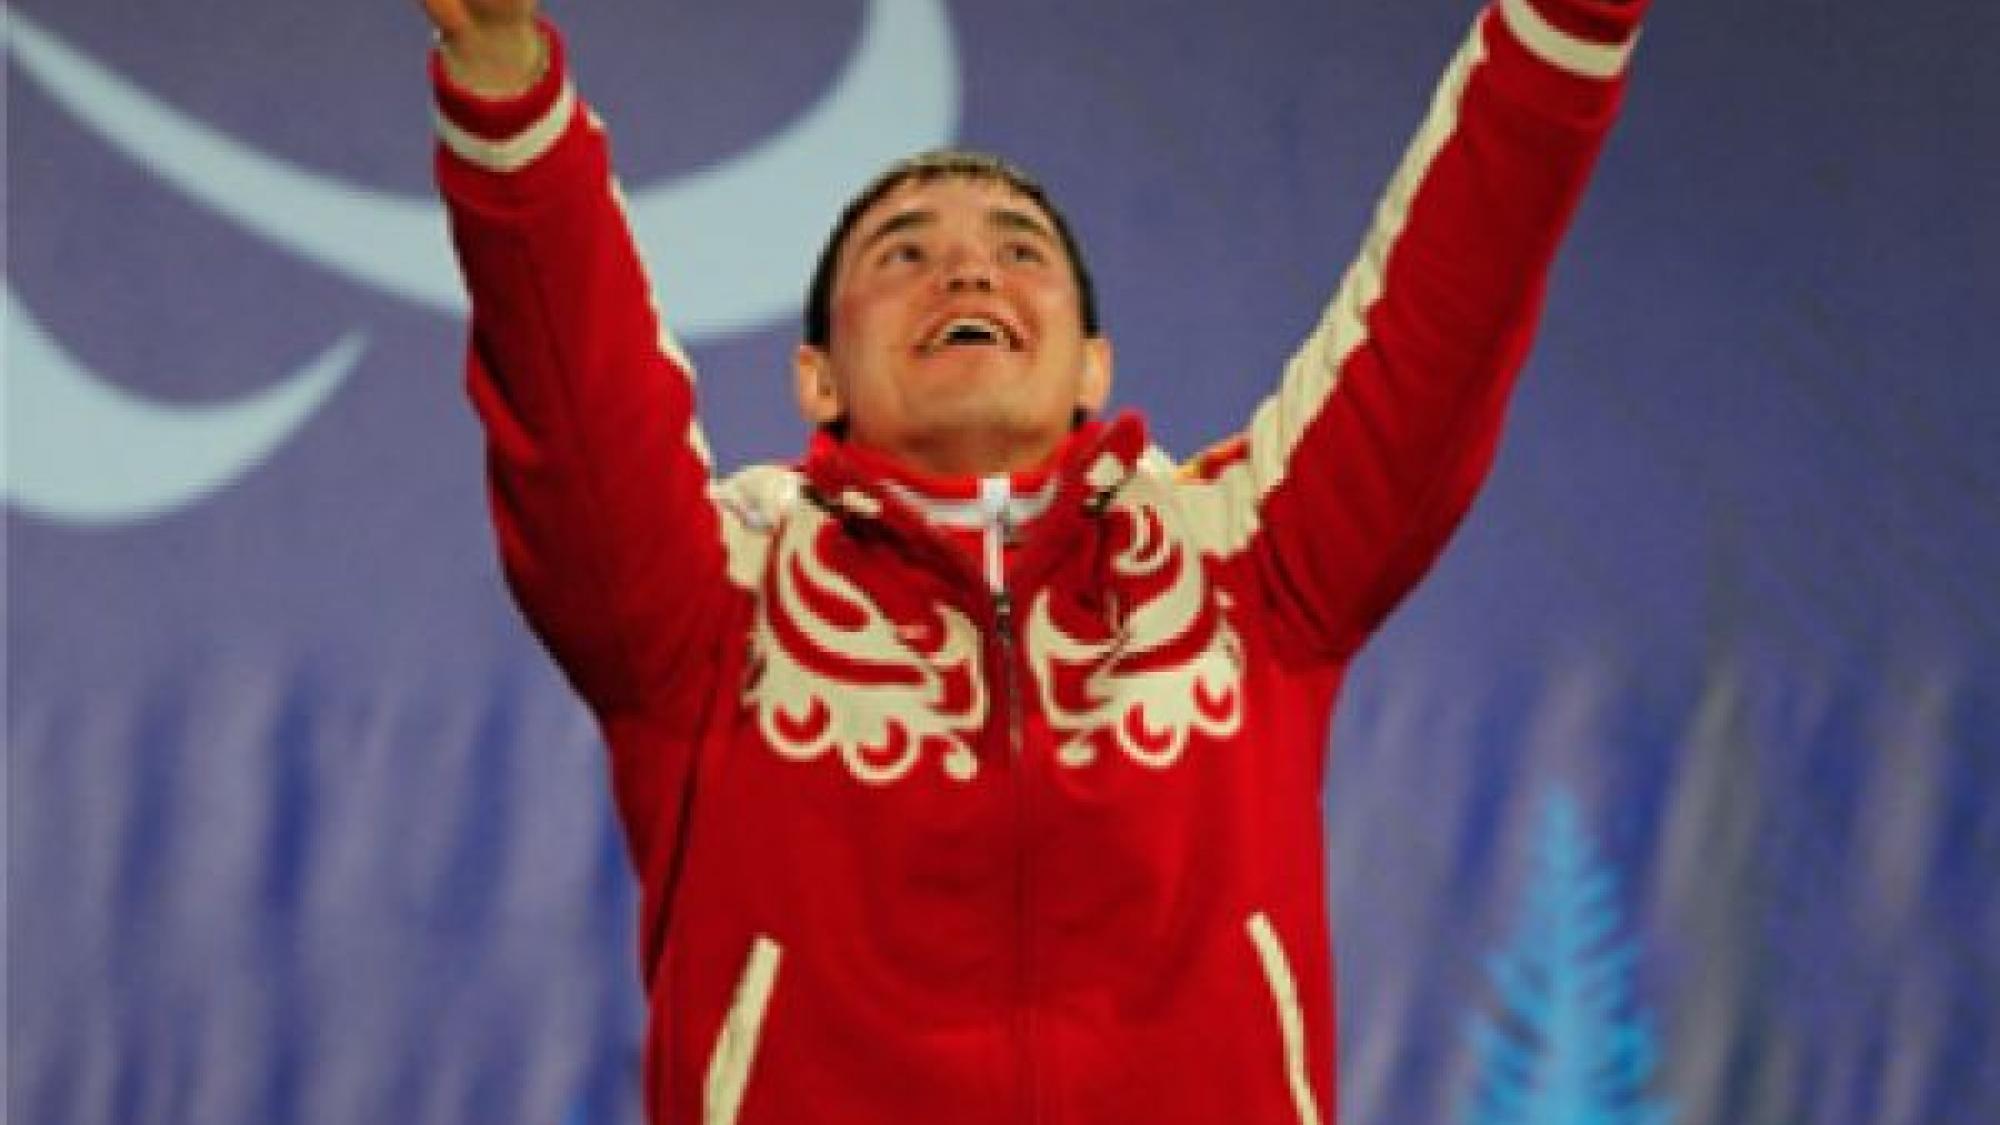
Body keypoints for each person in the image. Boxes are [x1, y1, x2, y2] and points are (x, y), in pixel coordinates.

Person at [417, 0, 1648, 1121]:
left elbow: (1446, 303)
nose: (965, 266)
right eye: (900, 252)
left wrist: (1566, 22)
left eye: (1020, 248)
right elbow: (572, 398)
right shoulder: (710, 600)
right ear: (816, 379)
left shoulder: (1246, 561)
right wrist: (505, 84)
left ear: (1092, 365)